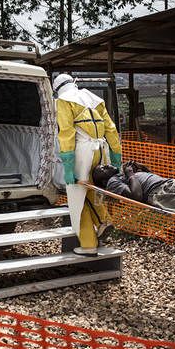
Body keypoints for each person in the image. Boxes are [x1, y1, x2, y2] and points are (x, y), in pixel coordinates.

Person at [54, 73, 122, 256]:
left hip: (82, 152)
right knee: (93, 190)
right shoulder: (94, 98)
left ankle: (88, 244)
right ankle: (103, 221)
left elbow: (66, 133)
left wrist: (68, 166)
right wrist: (116, 158)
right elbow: (112, 129)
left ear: (57, 89)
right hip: (101, 150)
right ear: (73, 83)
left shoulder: (63, 101)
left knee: (77, 199)